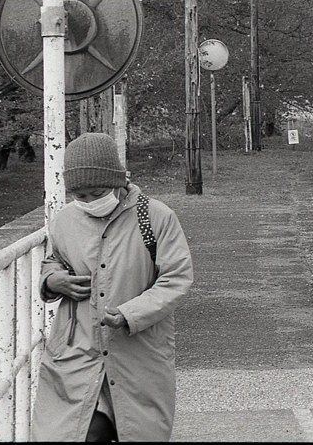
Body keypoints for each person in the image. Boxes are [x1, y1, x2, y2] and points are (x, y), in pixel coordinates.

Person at [31, 133, 193, 442]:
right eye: (81, 196)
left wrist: (131, 313)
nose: (90, 202)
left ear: (118, 182)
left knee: (139, 429)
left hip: (139, 348)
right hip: (77, 346)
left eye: (98, 192)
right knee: (74, 431)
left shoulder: (156, 217)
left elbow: (176, 277)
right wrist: (54, 281)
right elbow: (54, 260)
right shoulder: (65, 220)